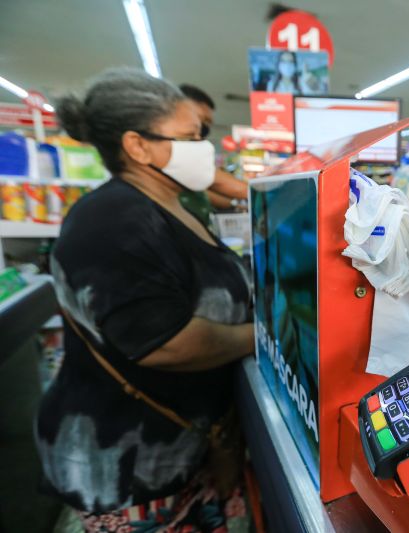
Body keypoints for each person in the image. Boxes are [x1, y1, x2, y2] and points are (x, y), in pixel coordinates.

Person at [36, 68, 253, 531]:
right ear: (137, 146)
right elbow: (165, 342)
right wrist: (263, 335)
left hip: (186, 448)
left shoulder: (172, 203)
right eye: (190, 137)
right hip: (129, 463)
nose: (204, 149)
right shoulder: (113, 221)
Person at [178, 84, 248, 221]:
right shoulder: (175, 147)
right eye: (199, 119)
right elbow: (219, 182)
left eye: (206, 123)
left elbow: (201, 192)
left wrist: (235, 204)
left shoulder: (192, 148)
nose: (201, 131)